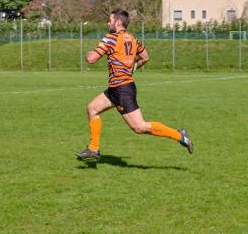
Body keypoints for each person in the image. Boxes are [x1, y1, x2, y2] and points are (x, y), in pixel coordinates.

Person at [76, 9, 193, 162]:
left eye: (110, 20)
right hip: (116, 88)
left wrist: (88, 53)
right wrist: (132, 67)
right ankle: (93, 149)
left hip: (122, 90)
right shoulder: (133, 39)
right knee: (92, 108)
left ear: (118, 22)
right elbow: (145, 57)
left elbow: (91, 59)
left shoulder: (110, 38)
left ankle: (180, 136)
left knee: (139, 127)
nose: (108, 23)